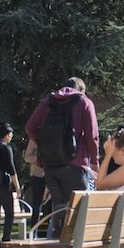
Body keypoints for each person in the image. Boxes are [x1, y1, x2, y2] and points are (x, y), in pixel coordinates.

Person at [24, 76, 99, 214]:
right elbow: (92, 136)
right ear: (81, 90)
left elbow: (30, 127)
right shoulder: (85, 102)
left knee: (60, 210)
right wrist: (95, 162)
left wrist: (43, 144)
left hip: (51, 165)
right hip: (76, 163)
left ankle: (59, 234)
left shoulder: (48, 102)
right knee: (77, 213)